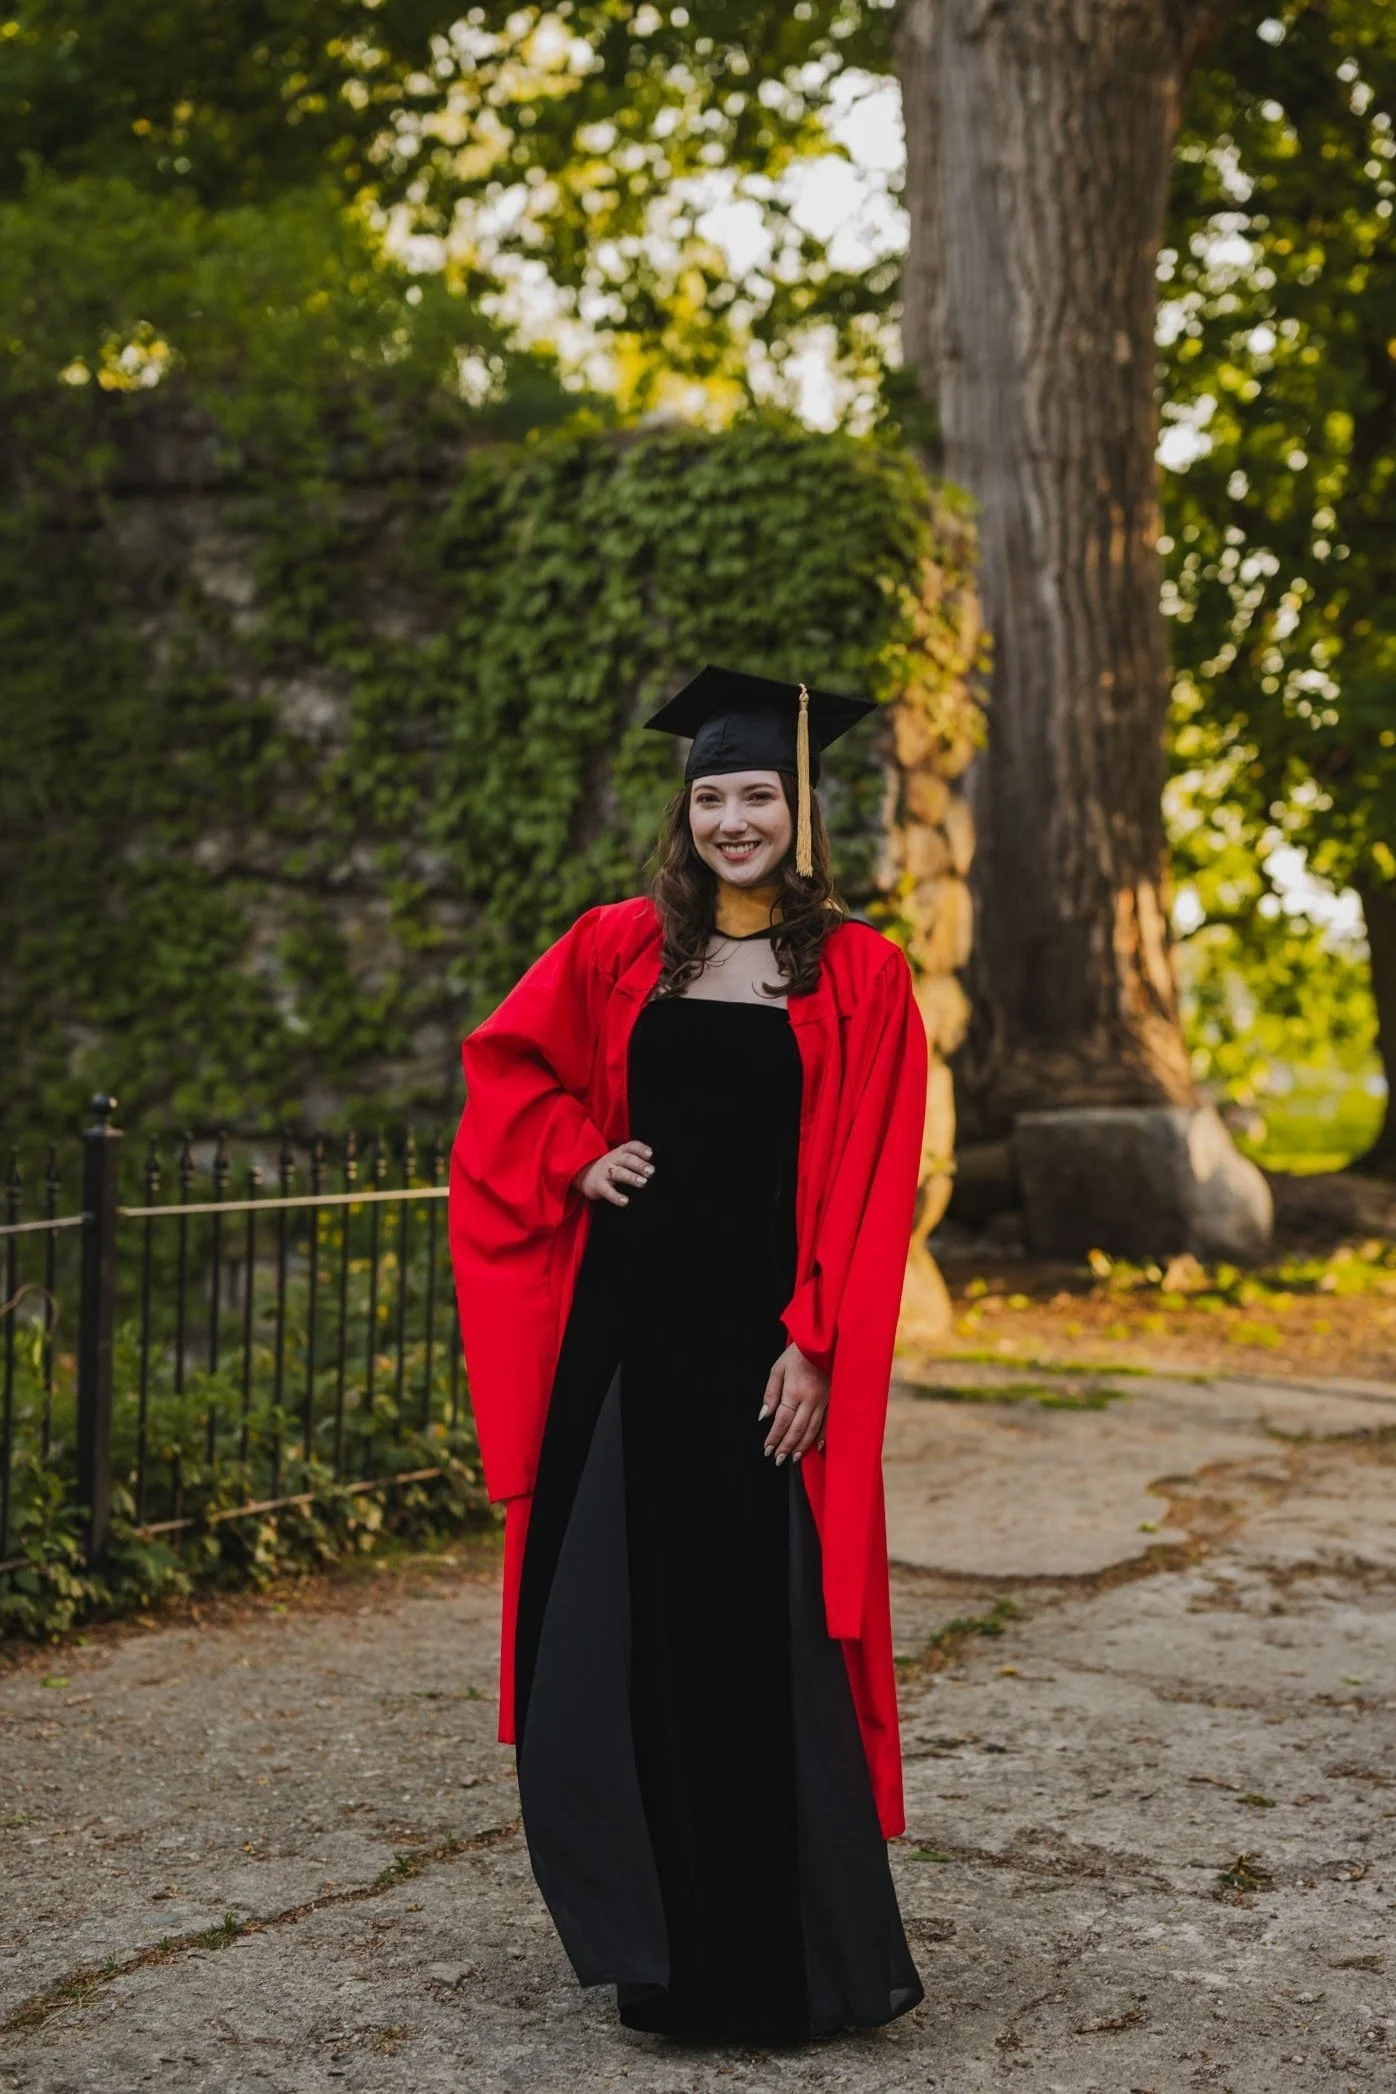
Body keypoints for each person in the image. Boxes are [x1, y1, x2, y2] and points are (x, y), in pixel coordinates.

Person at [448, 663, 929, 2044]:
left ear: (800, 807)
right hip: (625, 1348)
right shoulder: (616, 947)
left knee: (759, 1640)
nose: (733, 818)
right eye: (712, 793)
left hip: (765, 1355)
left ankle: (782, 1960)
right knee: (621, 1634)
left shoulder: (859, 973)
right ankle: (659, 1954)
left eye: (757, 793)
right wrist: (576, 1158)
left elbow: (872, 1182)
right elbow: (506, 1076)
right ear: (687, 805)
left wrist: (818, 1344)